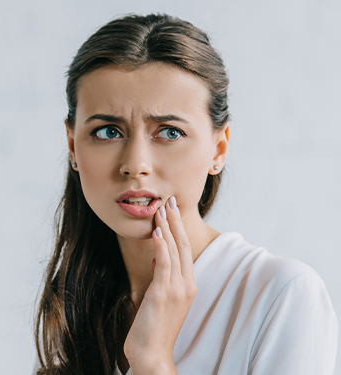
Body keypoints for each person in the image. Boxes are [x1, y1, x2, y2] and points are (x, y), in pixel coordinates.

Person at [33, 13, 338, 375]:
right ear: (72, 145)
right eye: (108, 132)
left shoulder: (282, 296)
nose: (135, 165)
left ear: (218, 150)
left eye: (169, 132)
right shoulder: (77, 315)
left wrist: (154, 360)